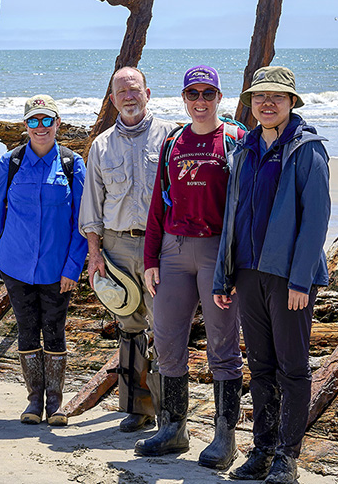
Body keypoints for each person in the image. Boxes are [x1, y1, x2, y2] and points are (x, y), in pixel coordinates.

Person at [213, 67, 330, 484]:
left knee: (293, 368)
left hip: (287, 279)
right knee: (260, 365)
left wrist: (301, 279)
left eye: (277, 97)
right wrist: (222, 277)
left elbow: (316, 220)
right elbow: (232, 217)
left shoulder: (307, 150)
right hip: (247, 272)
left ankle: (287, 458)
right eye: (260, 96)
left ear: (292, 102)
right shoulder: (243, 150)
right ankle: (262, 450)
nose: (267, 103)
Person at [136, 66, 244, 464]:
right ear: (184, 98)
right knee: (166, 341)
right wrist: (151, 258)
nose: (200, 101)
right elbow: (156, 205)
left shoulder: (235, 139)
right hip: (174, 251)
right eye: (193, 94)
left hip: (217, 252)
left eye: (208, 93)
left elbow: (246, 206)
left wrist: (236, 266)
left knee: (223, 346)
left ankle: (225, 437)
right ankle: (173, 429)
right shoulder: (173, 142)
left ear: (219, 97)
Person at [79, 66, 174, 432]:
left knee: (165, 328)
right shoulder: (101, 146)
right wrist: (95, 253)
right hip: (117, 246)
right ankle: (139, 408)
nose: (129, 97)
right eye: (122, 93)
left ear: (147, 93)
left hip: (162, 245)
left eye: (135, 90)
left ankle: (170, 411)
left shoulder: (170, 138)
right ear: (113, 100)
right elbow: (92, 207)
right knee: (130, 327)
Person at [0, 94, 87, 427]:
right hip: (15, 266)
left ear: (58, 123)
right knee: (27, 331)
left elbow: (82, 223)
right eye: (33, 121)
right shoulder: (10, 163)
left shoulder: (72, 165)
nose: (40, 127)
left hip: (58, 270)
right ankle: (33, 402)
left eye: (47, 120)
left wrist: (73, 267)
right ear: (25, 125)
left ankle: (56, 405)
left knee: (54, 332)